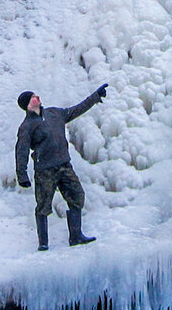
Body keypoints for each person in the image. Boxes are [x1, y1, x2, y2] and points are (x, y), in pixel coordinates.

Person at [15, 84, 107, 251]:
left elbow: (75, 110)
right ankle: (43, 243)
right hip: (44, 170)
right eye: (33, 97)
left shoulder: (54, 113)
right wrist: (22, 175)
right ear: (28, 105)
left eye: (37, 95)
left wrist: (95, 97)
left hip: (64, 164)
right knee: (43, 206)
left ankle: (76, 236)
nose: (38, 98)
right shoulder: (26, 126)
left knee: (77, 195)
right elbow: (21, 150)